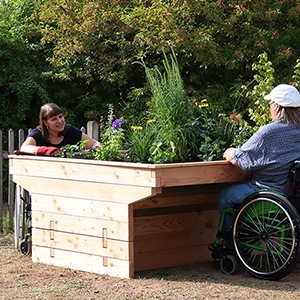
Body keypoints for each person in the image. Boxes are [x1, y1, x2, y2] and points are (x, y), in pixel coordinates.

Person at [215, 84, 300, 240]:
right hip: (294, 197)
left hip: (269, 194)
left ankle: (229, 243)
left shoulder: (268, 133)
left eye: (270, 104)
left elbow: (240, 160)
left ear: (277, 107)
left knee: (226, 196)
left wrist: (229, 152)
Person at [20, 103, 100, 156]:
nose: (59, 121)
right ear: (45, 123)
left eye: (60, 116)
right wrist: (48, 151)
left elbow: (93, 144)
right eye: (54, 119)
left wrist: (101, 149)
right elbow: (24, 148)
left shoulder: (70, 131)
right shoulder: (37, 134)